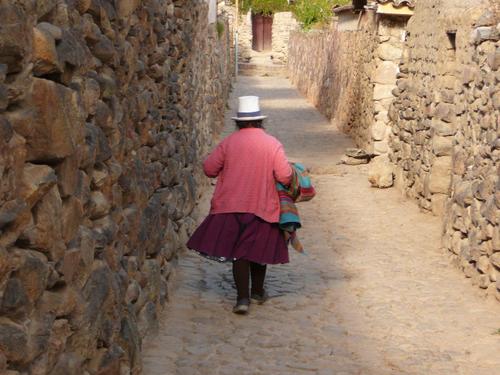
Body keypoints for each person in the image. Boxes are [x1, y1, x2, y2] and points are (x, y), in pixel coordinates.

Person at [187, 96, 292, 315]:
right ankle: (256, 291)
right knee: (257, 249)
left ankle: (243, 298)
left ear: (239, 122)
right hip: (262, 205)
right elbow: (284, 175)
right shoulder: (272, 144)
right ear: (259, 121)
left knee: (239, 253)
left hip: (230, 206)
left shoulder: (229, 143)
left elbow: (209, 169)